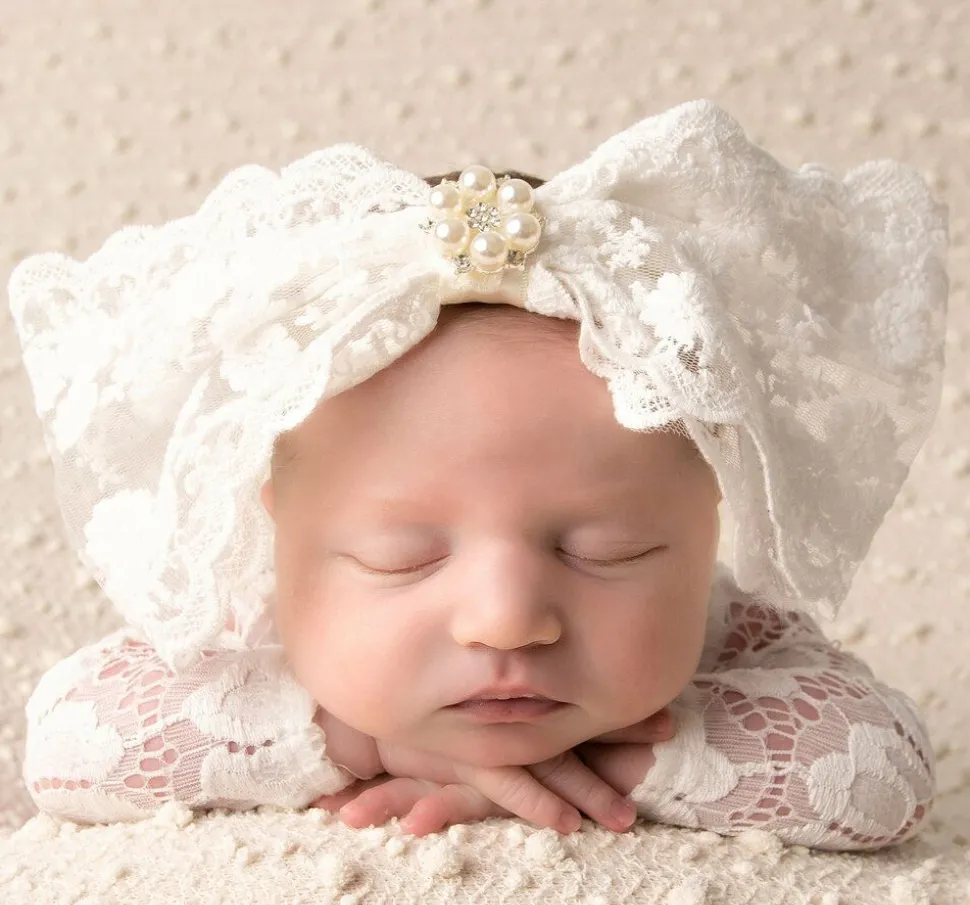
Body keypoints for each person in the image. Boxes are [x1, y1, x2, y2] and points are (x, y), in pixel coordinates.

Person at [11, 100, 948, 850]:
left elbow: (879, 770)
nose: (506, 618)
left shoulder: (719, 627)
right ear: (278, 526)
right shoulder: (258, 620)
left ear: (710, 508)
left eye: (607, 548)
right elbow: (67, 741)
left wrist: (637, 755)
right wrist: (363, 738)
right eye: (399, 556)